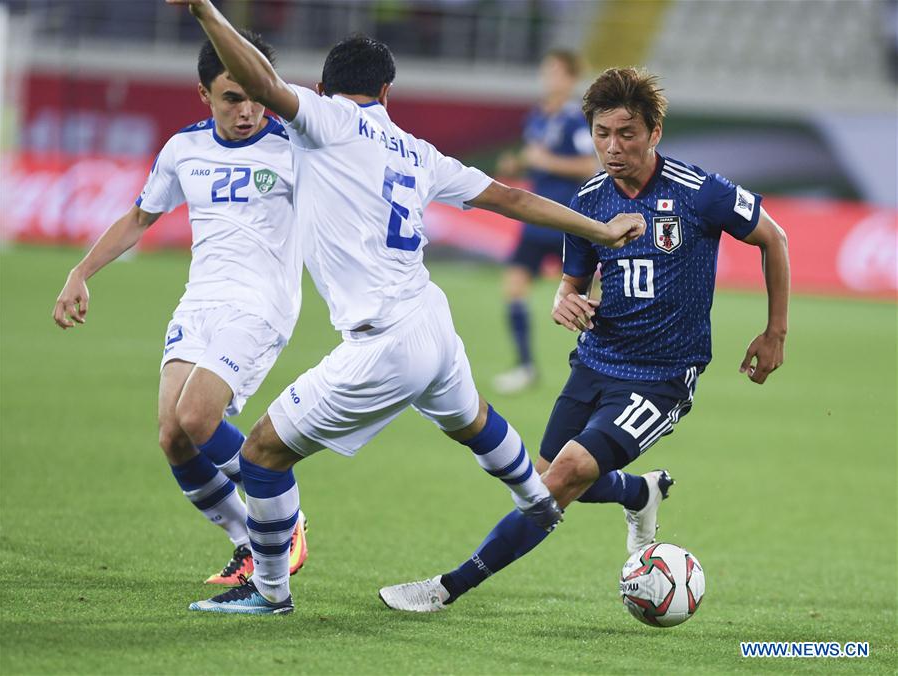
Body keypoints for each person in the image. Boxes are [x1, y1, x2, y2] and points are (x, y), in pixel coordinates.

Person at [168, 0, 646, 616]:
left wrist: (206, 12)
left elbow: (259, 82)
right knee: (471, 421)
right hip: (431, 318)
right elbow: (510, 198)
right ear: (387, 91)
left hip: (383, 341)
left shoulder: (324, 120)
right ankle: (536, 497)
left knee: (261, 453)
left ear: (321, 87)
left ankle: (269, 592)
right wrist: (600, 230)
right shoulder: (417, 151)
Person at [379, 67, 791, 612]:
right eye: (602, 134)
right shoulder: (590, 199)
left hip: (660, 377)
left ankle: (447, 587)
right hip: (597, 360)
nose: (613, 147)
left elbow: (774, 237)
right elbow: (572, 281)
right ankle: (637, 491)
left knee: (562, 480)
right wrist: (562, 299)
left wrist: (774, 332)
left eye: (627, 134)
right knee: (547, 476)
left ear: (655, 133)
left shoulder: (698, 193)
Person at [52, 31, 308, 587]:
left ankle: (285, 516)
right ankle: (248, 541)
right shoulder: (183, 148)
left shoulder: (295, 145)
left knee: (198, 418)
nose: (247, 110)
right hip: (201, 300)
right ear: (203, 95)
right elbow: (140, 218)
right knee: (173, 434)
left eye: (255, 95)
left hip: (263, 303)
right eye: (231, 98)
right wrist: (81, 272)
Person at [493, 50, 599, 394]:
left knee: (589, 300)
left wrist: (546, 160)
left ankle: (601, 367)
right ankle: (525, 367)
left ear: (570, 79)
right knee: (513, 286)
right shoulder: (537, 117)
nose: (550, 77)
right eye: (547, 70)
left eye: (556, 72)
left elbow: (589, 167)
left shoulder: (575, 120)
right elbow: (535, 160)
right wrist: (518, 166)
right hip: (536, 219)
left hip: (567, 220)